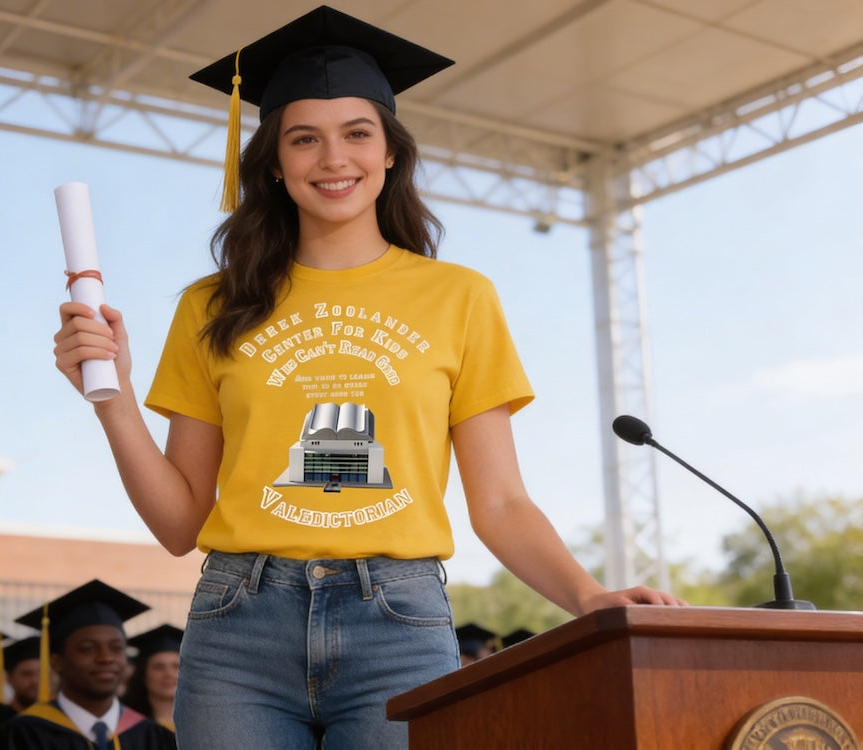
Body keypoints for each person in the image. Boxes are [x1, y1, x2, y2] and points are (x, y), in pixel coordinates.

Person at [51, 6, 686, 748]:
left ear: (390, 153)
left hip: (398, 626)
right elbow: (178, 524)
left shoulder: (459, 298)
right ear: (275, 161)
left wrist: (589, 597)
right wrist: (114, 397)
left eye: (357, 132)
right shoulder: (212, 305)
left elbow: (502, 502)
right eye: (304, 138)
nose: (332, 158)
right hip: (238, 628)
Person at [0, 580, 175, 750]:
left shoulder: (155, 738)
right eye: (88, 649)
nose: (106, 658)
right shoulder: (19, 736)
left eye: (116, 648)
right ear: (56, 662)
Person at [121, 625, 182, 732]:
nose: (169, 674)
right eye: (158, 667)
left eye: (176, 666)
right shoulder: (126, 728)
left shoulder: (208, 724)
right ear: (143, 676)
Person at [0, 637, 40, 713]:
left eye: (41, 674)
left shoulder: (55, 719)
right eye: (27, 674)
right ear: (9, 679)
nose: (35, 680)